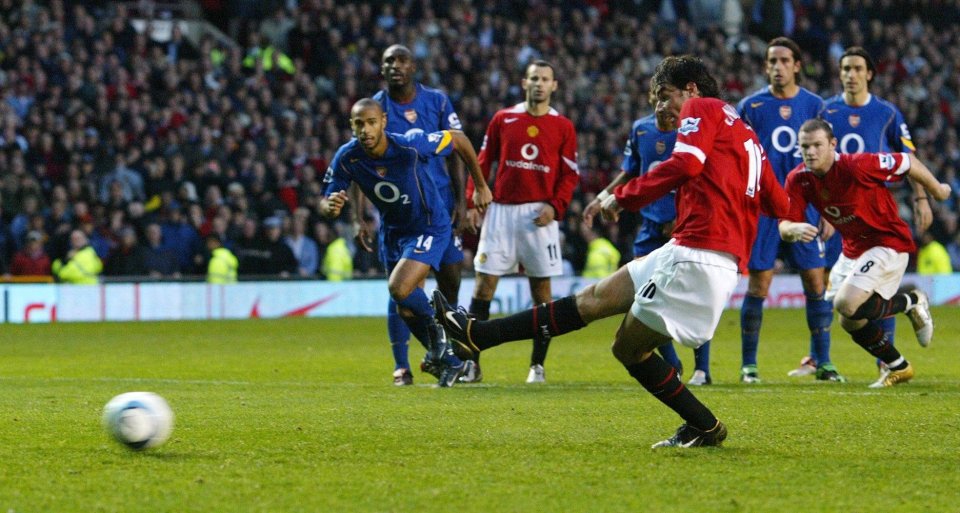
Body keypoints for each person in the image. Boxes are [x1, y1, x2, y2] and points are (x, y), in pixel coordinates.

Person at [436, 56, 790, 447]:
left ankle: (704, 426)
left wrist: (624, 197)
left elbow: (686, 164)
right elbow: (779, 204)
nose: (660, 106)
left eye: (664, 95)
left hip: (698, 254)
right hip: (692, 248)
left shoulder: (701, 106)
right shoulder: (746, 134)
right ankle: (478, 334)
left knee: (627, 347)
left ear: (690, 88)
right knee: (594, 298)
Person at [321, 98, 492, 387]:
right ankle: (449, 362)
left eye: (372, 122)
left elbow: (459, 140)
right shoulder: (347, 157)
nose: (365, 129)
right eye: (359, 124)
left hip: (429, 225)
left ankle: (441, 332)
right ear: (352, 126)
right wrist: (331, 207)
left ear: (384, 122)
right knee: (404, 306)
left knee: (400, 287)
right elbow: (328, 198)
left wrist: (481, 185)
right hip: (394, 233)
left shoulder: (411, 144)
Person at [778, 119, 949, 387]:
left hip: (887, 242)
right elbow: (784, 225)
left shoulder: (856, 165)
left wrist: (936, 190)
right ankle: (898, 366)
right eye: (805, 147)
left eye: (817, 146)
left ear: (833, 145)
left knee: (845, 303)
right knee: (848, 319)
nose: (810, 152)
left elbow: (907, 162)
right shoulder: (799, 179)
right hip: (853, 250)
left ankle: (912, 301)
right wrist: (793, 229)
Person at [584, 81, 712, 386]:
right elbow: (631, 170)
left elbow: (699, 176)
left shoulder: (690, 130)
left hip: (685, 225)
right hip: (651, 224)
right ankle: (673, 365)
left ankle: (703, 369)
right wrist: (603, 196)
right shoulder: (641, 130)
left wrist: (682, 216)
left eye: (669, 100)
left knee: (694, 296)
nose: (664, 107)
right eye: (660, 100)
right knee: (646, 294)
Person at [463, 59, 580, 383]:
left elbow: (570, 175)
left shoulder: (563, 127)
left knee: (542, 295)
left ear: (554, 86)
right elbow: (483, 161)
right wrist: (474, 196)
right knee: (483, 288)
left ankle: (537, 367)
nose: (539, 84)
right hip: (500, 213)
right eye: (534, 78)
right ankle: (472, 365)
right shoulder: (504, 118)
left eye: (545, 79)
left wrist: (556, 207)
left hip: (538, 216)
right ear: (524, 82)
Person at [736, 37, 841, 383]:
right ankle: (749, 366)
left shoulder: (814, 105)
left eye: (783, 61)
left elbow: (829, 160)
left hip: (805, 205)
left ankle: (822, 363)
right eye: (771, 61)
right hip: (764, 209)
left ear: (797, 65)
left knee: (815, 280)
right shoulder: (750, 107)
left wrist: (828, 209)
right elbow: (739, 158)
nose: (777, 67)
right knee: (759, 285)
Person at [822, 46, 934, 372]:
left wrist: (921, 197)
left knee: (869, 290)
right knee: (839, 300)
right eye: (845, 69)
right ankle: (909, 305)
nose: (850, 75)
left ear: (869, 73)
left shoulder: (887, 113)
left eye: (857, 68)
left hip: (877, 213)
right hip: (841, 216)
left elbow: (908, 159)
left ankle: (887, 364)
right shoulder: (826, 113)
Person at [370, 44, 471, 386]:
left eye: (401, 60)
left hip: (440, 204)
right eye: (388, 61)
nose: (395, 66)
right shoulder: (376, 109)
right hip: (400, 210)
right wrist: (359, 217)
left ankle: (450, 349)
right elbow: (360, 159)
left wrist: (463, 201)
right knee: (402, 287)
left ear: (414, 66)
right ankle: (403, 365)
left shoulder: (438, 102)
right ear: (381, 69)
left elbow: (457, 149)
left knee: (452, 279)